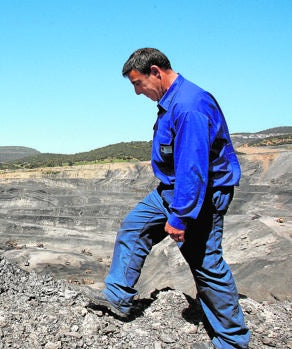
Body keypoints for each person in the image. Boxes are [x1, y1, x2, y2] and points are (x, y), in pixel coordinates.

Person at [84, 48, 250, 349]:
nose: (137, 92)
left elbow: (193, 167)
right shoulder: (172, 101)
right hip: (172, 189)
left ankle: (231, 341)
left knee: (205, 263)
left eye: (138, 83)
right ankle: (117, 295)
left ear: (156, 72)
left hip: (200, 194)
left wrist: (180, 216)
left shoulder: (189, 105)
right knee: (135, 226)